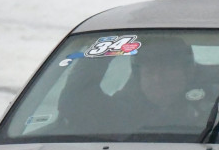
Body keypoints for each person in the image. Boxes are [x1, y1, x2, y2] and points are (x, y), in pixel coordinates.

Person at [58, 36, 205, 135]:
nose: (157, 79)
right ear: (138, 77)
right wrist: (113, 40)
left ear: (188, 72)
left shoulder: (218, 108)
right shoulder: (119, 113)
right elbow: (74, 101)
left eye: (167, 70)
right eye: (149, 72)